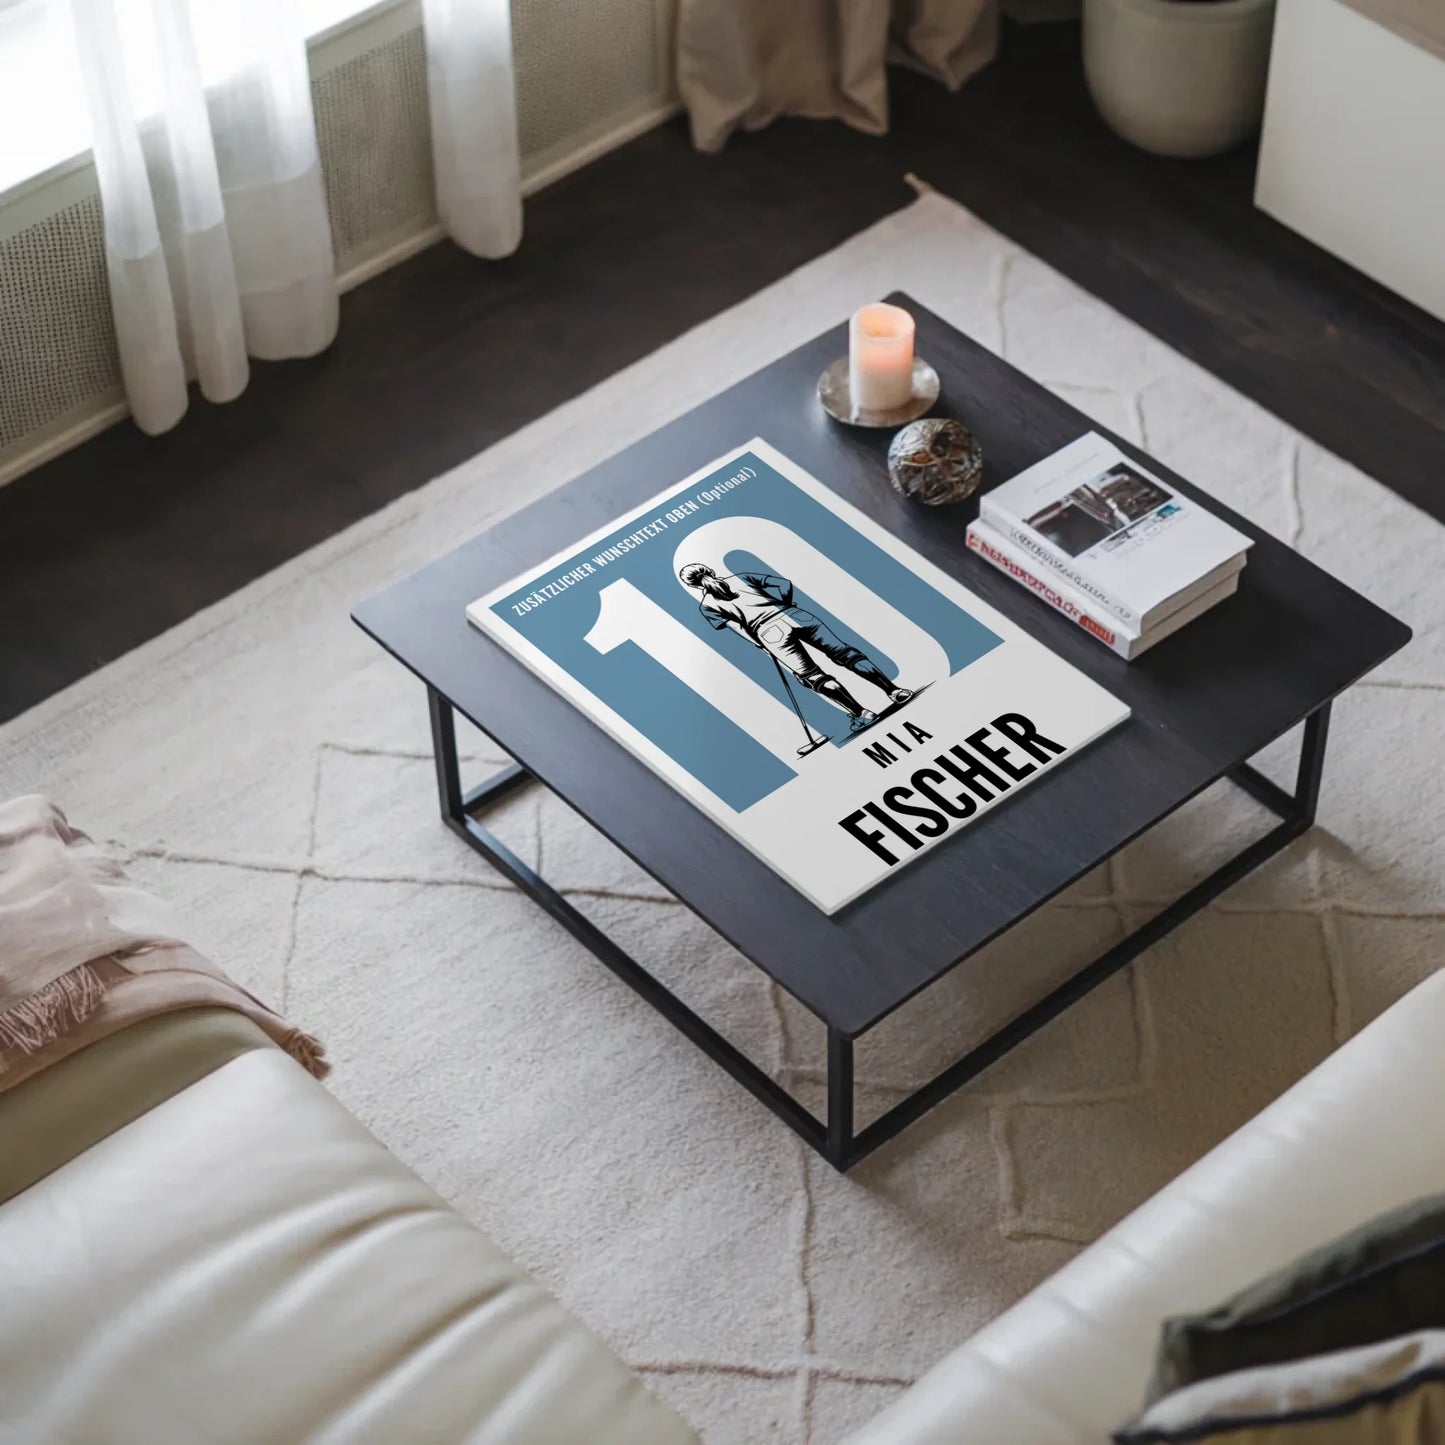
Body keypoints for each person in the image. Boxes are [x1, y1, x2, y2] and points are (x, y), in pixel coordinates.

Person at [678, 563, 911, 731]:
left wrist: (762, 646)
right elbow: (783, 584)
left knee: (812, 676)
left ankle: (862, 714)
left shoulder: (707, 605)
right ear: (710, 570)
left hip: (768, 633)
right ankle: (894, 691)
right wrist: (784, 605)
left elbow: (738, 629)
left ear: (693, 585)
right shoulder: (741, 577)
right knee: (845, 654)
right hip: (794, 614)